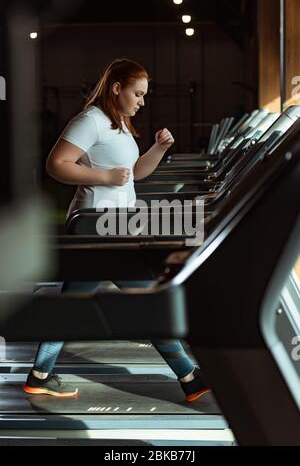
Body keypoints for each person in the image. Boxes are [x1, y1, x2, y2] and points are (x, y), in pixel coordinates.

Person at [23, 59, 210, 403]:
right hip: (97, 226)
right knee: (147, 300)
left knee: (76, 302)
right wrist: (103, 178)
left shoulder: (119, 123)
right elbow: (56, 165)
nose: (142, 101)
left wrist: (159, 148)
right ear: (116, 88)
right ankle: (190, 377)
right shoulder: (90, 120)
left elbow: (135, 173)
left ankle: (39, 375)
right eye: (137, 94)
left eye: (144, 96)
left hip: (115, 226)